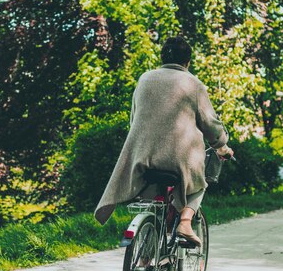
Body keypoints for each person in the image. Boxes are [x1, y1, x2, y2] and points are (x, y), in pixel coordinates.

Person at [94, 36, 233, 246]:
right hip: (179, 160)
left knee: (153, 202)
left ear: (162, 58)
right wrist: (222, 146)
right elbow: (210, 124)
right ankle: (185, 222)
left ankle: (144, 260)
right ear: (187, 61)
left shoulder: (145, 79)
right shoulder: (193, 83)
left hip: (143, 157)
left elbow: (134, 119)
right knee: (199, 184)